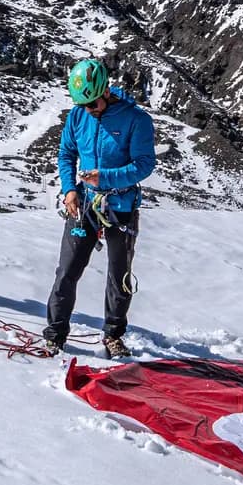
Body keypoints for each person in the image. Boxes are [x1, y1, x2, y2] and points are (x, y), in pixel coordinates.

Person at [42, 58, 156, 358]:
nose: (89, 109)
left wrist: (106, 177)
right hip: (84, 204)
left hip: (120, 205)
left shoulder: (135, 119)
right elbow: (66, 153)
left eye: (93, 103)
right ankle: (55, 333)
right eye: (84, 104)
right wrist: (69, 190)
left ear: (106, 90)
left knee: (119, 275)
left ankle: (113, 334)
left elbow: (144, 165)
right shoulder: (79, 116)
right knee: (66, 270)